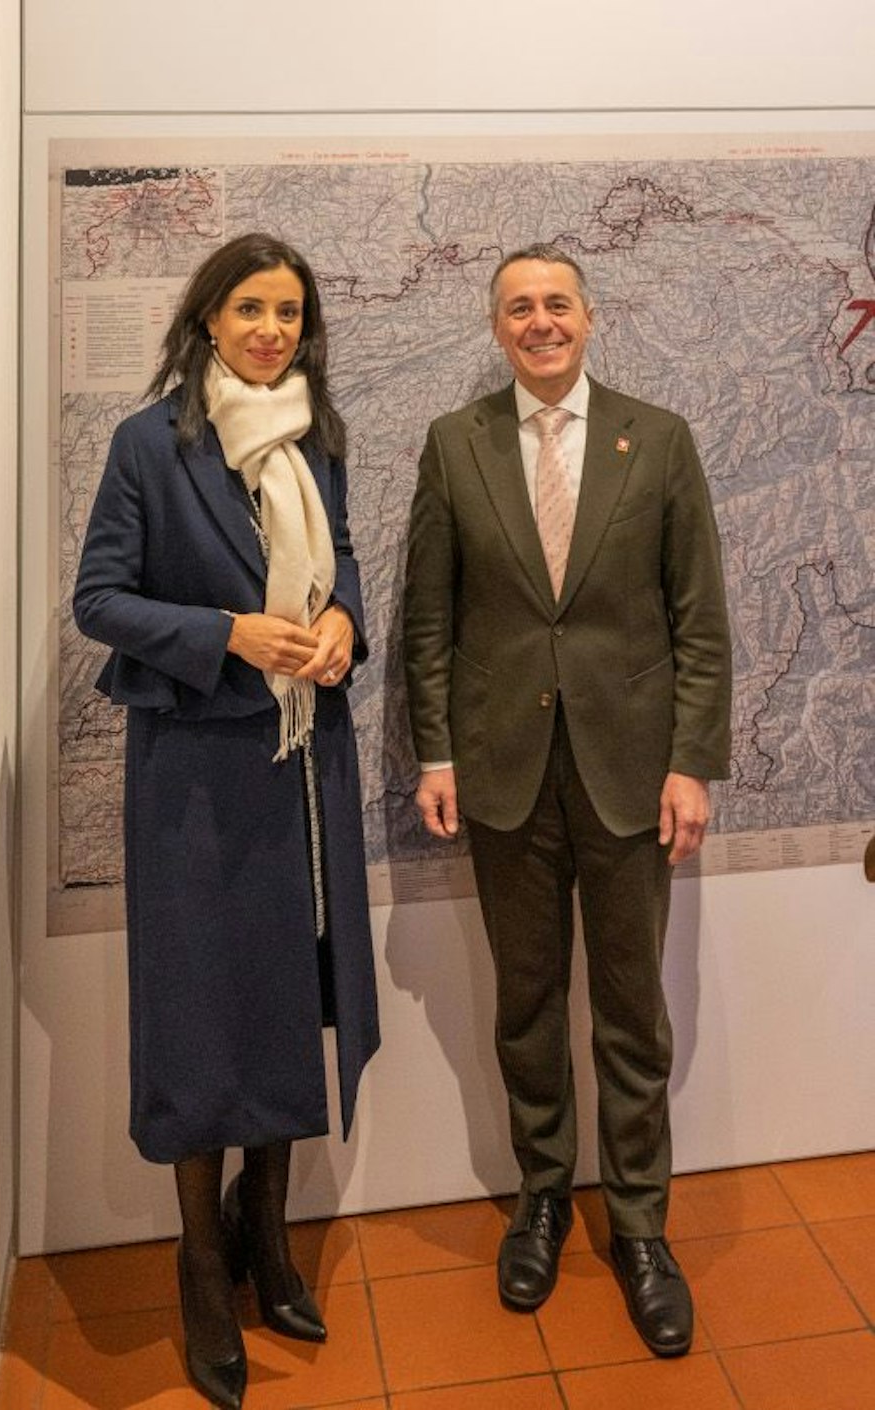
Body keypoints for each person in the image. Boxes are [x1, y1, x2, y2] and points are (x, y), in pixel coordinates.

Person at [403, 243, 731, 1357]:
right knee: (528, 1004)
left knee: (632, 1013)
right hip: (502, 777)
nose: (539, 322)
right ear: (495, 329)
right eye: (517, 308)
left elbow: (699, 621)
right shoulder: (458, 446)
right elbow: (427, 621)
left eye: (556, 303)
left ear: (589, 319)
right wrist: (435, 755)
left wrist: (690, 762)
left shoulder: (661, 439)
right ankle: (543, 1198)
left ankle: (640, 1227)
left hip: (633, 779)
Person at [73, 232, 380, 1409]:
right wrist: (226, 635)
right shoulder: (149, 444)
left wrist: (343, 620)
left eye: (289, 312)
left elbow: (338, 562)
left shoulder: (316, 438)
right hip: (198, 781)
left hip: (306, 767)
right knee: (206, 1015)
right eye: (249, 308)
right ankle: (202, 1263)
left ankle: (269, 1236)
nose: (269, 330)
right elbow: (99, 599)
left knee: (290, 997)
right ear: (209, 319)